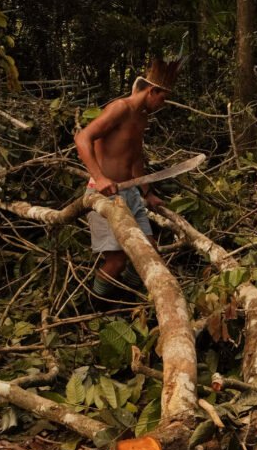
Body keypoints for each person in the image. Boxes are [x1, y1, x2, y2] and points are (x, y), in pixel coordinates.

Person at [74, 57, 181, 303]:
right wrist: (100, 178)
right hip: (105, 196)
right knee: (117, 259)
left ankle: (127, 299)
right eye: (162, 98)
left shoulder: (142, 116)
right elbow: (82, 138)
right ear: (152, 91)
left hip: (130, 193)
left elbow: (135, 159)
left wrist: (146, 191)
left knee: (150, 251)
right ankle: (94, 305)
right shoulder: (120, 108)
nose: (162, 104)